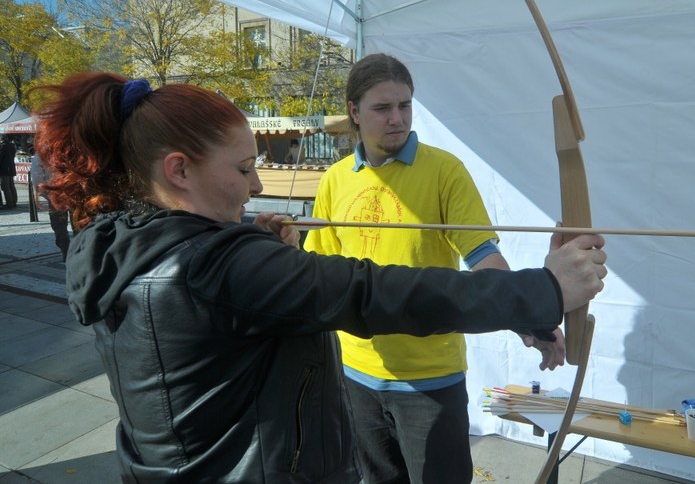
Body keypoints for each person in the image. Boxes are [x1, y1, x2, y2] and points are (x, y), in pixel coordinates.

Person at [33, 71, 607, 483]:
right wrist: (546, 288)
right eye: (243, 168)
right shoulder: (218, 264)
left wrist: (262, 253)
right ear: (178, 170)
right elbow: (367, 288)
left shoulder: (117, 243)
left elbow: (253, 295)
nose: (257, 187)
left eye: (405, 106)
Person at [304, 53, 569, 483]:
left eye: (404, 106)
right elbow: (320, 269)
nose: (397, 118)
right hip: (357, 374)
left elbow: (483, 257)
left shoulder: (444, 170)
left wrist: (529, 316)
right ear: (354, 111)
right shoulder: (335, 178)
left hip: (430, 380)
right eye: (382, 108)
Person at [29, 145, 71, 261]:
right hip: (73, 189)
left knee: (59, 224)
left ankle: (66, 250)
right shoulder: (70, 147)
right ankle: (80, 250)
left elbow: (36, 176)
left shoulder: (42, 152)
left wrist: (44, 192)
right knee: (78, 221)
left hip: (55, 192)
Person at [0, 134, 18, 209]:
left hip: (4, 169)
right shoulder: (12, 146)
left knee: (5, 186)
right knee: (11, 185)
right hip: (11, 168)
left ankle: (9, 203)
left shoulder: (3, 146)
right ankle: (14, 201)